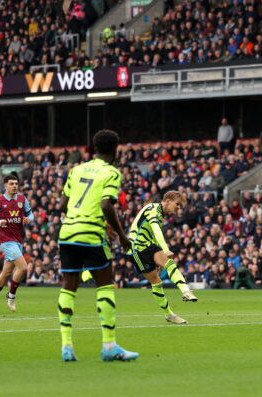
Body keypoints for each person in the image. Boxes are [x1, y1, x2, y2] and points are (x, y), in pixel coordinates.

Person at [57, 129, 138, 362]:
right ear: (115, 150)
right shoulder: (111, 173)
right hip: (91, 234)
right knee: (105, 286)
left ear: (94, 148)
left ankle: (66, 347)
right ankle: (109, 346)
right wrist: (122, 235)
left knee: (68, 286)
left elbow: (62, 204)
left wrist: (78, 214)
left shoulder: (76, 170)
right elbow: (106, 205)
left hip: (68, 232)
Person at [127, 190, 197, 324]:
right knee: (156, 282)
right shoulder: (152, 209)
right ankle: (169, 314)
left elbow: (152, 234)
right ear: (168, 201)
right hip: (137, 249)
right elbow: (157, 231)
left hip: (150, 245)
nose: (178, 207)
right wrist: (165, 249)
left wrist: (158, 256)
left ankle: (186, 291)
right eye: (177, 204)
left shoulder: (160, 214)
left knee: (170, 264)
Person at [0, 173, 34, 313]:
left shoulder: (22, 199)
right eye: (11, 184)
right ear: (5, 185)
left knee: (6, 273)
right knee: (24, 268)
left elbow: (31, 214)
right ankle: (11, 296)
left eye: (16, 184)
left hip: (18, 240)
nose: (14, 186)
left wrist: (28, 219)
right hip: (6, 241)